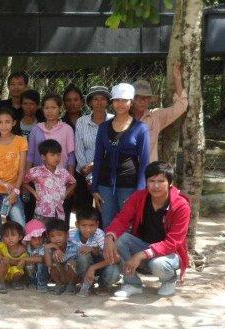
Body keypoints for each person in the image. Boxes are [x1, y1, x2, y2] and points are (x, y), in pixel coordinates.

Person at [103, 161, 190, 298]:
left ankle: (169, 280)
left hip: (169, 253)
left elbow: (173, 242)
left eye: (161, 181)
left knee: (158, 264)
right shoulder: (139, 197)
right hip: (144, 245)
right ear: (146, 182)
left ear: (170, 183)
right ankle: (132, 283)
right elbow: (121, 219)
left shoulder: (181, 206)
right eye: (151, 181)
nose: (155, 186)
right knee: (119, 239)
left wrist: (141, 254)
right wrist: (109, 237)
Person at [92, 83, 150, 227]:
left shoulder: (140, 128)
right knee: (107, 225)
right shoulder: (103, 127)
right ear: (112, 102)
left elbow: (144, 161)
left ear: (131, 103)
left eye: (125, 100)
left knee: (127, 226)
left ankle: (123, 251)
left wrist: (139, 191)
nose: (120, 104)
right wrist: (94, 188)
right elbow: (98, 158)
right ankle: (107, 250)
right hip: (105, 185)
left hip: (129, 185)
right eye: (117, 100)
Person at [27, 94, 76, 221]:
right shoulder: (36, 129)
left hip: (60, 181)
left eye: (53, 107)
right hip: (40, 182)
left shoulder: (67, 129)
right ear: (42, 109)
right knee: (40, 217)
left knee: (59, 219)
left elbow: (71, 156)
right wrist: (28, 181)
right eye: (46, 108)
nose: (50, 111)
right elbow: (31, 155)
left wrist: (69, 182)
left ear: (60, 109)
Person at [133, 63, 188, 162]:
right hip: (126, 171)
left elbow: (181, 107)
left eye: (146, 98)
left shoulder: (155, 116)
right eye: (138, 97)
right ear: (131, 100)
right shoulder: (122, 117)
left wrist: (177, 79)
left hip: (148, 171)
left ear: (150, 100)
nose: (142, 101)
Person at [74, 86, 114, 215]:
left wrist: (95, 165)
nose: (99, 102)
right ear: (90, 102)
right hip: (84, 173)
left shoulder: (114, 121)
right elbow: (79, 149)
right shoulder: (81, 122)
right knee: (84, 213)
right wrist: (89, 176)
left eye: (102, 99)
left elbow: (113, 149)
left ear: (108, 102)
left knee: (104, 211)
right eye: (95, 99)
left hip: (107, 172)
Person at [71, 207, 120, 297]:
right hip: (83, 266)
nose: (88, 229)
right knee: (82, 256)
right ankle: (86, 284)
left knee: (114, 271)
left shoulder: (100, 235)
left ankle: (103, 286)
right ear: (77, 225)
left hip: (100, 264)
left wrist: (93, 267)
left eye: (91, 225)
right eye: (84, 225)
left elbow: (116, 259)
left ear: (97, 224)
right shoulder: (71, 235)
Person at [23, 140, 76, 221]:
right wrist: (34, 193)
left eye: (58, 155)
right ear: (43, 157)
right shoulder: (35, 171)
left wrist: (65, 194)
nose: (56, 157)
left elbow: (74, 183)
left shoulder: (63, 172)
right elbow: (24, 182)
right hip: (41, 212)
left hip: (58, 213)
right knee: (41, 233)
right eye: (52, 155)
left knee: (56, 233)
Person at [43, 218, 78, 295]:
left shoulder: (74, 247)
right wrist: (46, 248)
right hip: (59, 276)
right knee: (53, 265)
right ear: (48, 237)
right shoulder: (49, 248)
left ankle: (71, 286)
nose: (56, 239)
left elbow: (78, 266)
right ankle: (59, 285)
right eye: (52, 236)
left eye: (60, 235)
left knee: (71, 263)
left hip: (72, 277)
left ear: (67, 235)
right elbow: (49, 265)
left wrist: (58, 249)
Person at [0, 221, 27, 293]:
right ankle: (1, 283)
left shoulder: (23, 249)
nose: (10, 238)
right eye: (6, 236)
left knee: (18, 271)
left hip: (15, 271)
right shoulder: (2, 245)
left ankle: (15, 282)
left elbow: (22, 263)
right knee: (4, 261)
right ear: (2, 239)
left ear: (20, 237)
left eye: (13, 235)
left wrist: (10, 261)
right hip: (3, 271)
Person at [22, 219, 49, 293]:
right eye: (33, 238)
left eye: (40, 237)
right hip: (31, 272)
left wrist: (26, 259)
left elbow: (42, 259)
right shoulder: (27, 247)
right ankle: (30, 281)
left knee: (40, 264)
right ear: (29, 239)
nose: (38, 241)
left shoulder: (44, 247)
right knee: (27, 262)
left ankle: (42, 284)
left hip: (44, 273)